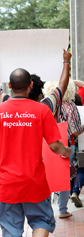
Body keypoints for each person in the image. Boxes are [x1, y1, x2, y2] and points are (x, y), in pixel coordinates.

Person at [0, 68, 71, 237]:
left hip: (7, 185)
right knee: (42, 221)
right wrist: (67, 151)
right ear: (30, 85)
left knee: (11, 230)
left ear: (10, 85)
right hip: (34, 183)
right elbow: (55, 147)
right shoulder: (43, 110)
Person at [43, 80, 84, 217]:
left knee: (46, 176)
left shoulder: (44, 104)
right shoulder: (70, 106)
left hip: (46, 145)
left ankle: (45, 209)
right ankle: (62, 210)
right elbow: (76, 130)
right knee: (64, 177)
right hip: (66, 145)